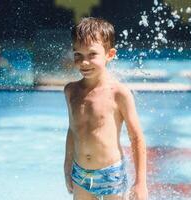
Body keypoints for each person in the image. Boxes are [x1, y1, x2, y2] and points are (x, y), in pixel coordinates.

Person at [63, 17, 148, 200]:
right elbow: (73, 130)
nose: (84, 63)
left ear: (109, 54)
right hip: (81, 174)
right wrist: (67, 164)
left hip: (111, 175)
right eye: (78, 55)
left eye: (92, 55)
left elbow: (137, 138)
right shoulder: (71, 91)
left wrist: (141, 182)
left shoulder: (119, 93)